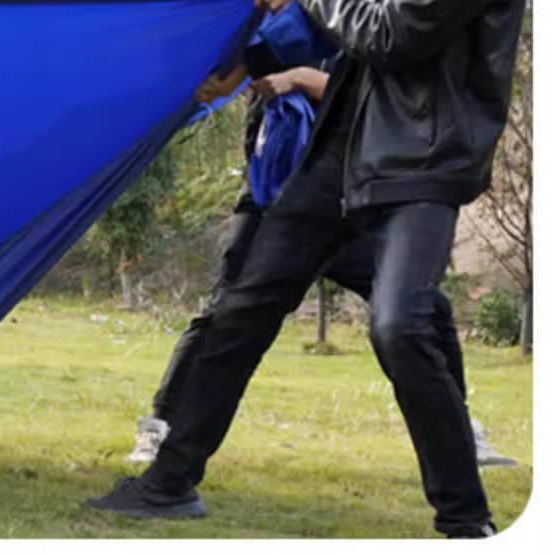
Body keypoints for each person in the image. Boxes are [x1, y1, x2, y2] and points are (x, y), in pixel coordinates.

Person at [86, 0, 525, 539]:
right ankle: (170, 481)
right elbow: (326, 21)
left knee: (401, 327)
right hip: (344, 146)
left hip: (423, 158)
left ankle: (466, 522)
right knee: (242, 308)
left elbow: (389, 33)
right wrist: (242, 67)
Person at [126, 64, 518, 469]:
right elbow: (247, 67)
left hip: (347, 202)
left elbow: (377, 98)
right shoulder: (287, 30)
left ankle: (457, 433)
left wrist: (300, 78)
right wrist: (223, 81)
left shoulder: (371, 34)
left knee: (428, 311)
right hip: (275, 195)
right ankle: (162, 428)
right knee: (224, 313)